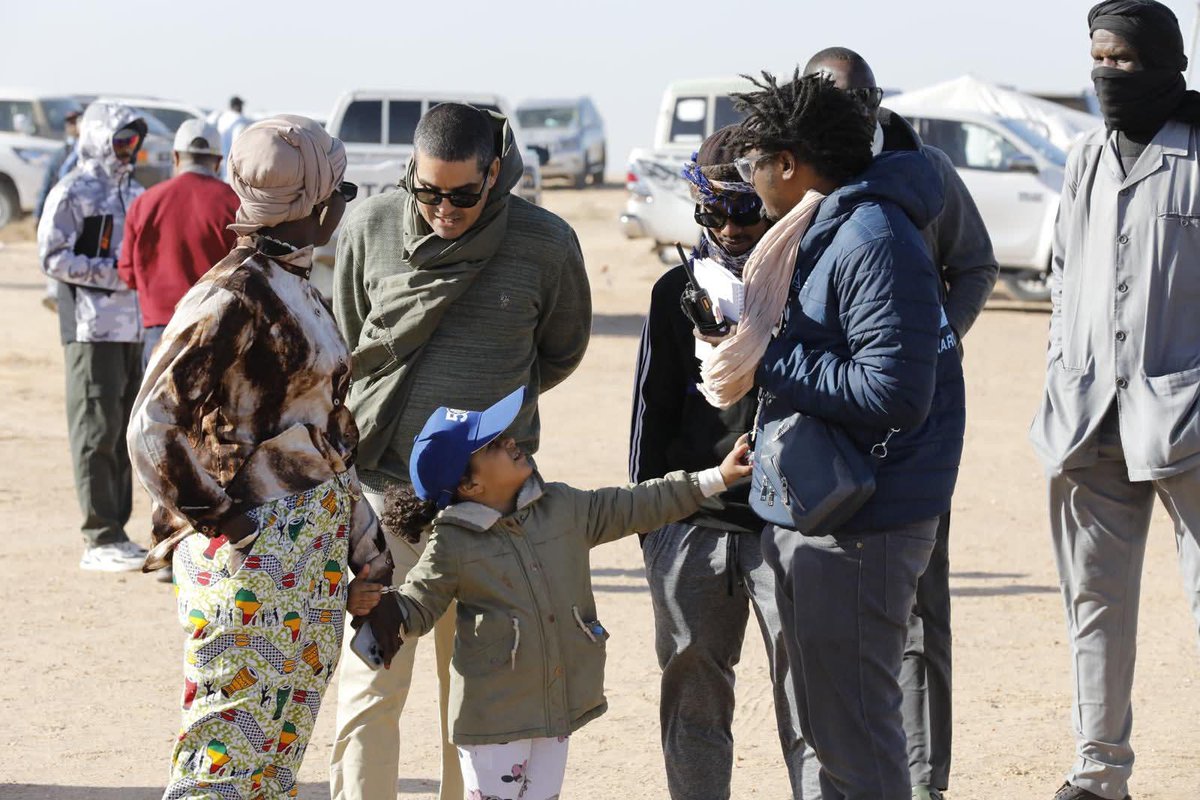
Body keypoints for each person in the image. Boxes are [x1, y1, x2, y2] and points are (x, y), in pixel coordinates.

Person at [127, 115, 396, 799]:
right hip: (258, 565)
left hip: (305, 566)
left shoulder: (295, 283)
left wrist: (367, 556)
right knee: (221, 764)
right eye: (341, 189)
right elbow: (152, 428)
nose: (344, 202)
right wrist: (229, 523)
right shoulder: (230, 295)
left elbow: (325, 435)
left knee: (269, 766)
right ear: (316, 202)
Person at [329, 102, 591, 800]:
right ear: (411, 172)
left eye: (464, 195)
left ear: (495, 173)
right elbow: (356, 340)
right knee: (371, 683)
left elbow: (558, 353)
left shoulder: (546, 243)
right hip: (385, 501)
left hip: (490, 514)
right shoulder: (370, 226)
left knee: (474, 694)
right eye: (429, 191)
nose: (444, 209)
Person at [731, 71, 965, 799]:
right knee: (831, 732)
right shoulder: (830, 223)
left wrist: (767, 356)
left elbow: (893, 391)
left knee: (856, 736)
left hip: (865, 524)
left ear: (790, 163)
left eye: (753, 162)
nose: (750, 179)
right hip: (827, 509)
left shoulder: (872, 235)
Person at [347, 386, 753, 800]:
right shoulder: (452, 544)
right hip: (494, 723)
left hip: (554, 709)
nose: (510, 441)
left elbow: (637, 503)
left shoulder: (562, 505)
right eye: (491, 445)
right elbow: (418, 604)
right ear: (469, 485)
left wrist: (715, 478)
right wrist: (376, 607)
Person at [804, 47, 999, 800]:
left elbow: (974, 267)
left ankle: (926, 781)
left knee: (922, 608)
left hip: (914, 423)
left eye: (861, 101)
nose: (851, 115)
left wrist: (934, 339)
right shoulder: (798, 171)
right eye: (831, 102)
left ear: (879, 101)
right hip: (825, 424)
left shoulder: (927, 174)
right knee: (820, 613)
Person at [1029, 3, 1200, 799]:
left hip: (1187, 419)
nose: (1106, 74)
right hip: (1088, 418)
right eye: (1097, 57)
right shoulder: (1085, 154)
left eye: (1123, 60)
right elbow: (1064, 269)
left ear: (1164, 64)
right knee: (1094, 605)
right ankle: (1099, 776)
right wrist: (1066, 356)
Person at [629, 125, 817, 800]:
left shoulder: (808, 282)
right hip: (694, 529)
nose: (733, 228)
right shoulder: (670, 293)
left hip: (788, 532)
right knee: (695, 710)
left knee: (811, 714)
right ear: (697, 206)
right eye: (716, 211)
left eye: (748, 210)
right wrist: (657, 531)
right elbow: (650, 423)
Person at [38, 101, 149, 572]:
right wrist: (116, 274)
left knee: (124, 432)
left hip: (134, 329)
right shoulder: (73, 192)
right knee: (94, 431)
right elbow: (52, 256)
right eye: (120, 140)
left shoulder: (136, 192)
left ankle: (117, 532)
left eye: (134, 141)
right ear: (99, 139)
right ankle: (98, 535)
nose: (128, 150)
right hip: (91, 330)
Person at [118, 118, 239, 369]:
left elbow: (127, 274)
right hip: (216, 330)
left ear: (175, 158)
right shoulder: (234, 205)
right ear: (217, 162)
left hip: (159, 334)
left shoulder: (144, 203)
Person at [34, 103, 84, 313]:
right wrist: (39, 214)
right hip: (60, 213)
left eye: (76, 121)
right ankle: (55, 295)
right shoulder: (61, 155)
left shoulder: (90, 153)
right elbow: (47, 183)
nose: (73, 126)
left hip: (82, 214)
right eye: (70, 122)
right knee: (56, 251)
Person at [215, 96, 250, 181]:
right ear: (237, 106)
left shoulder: (222, 119)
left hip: (220, 164)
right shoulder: (240, 121)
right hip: (234, 167)